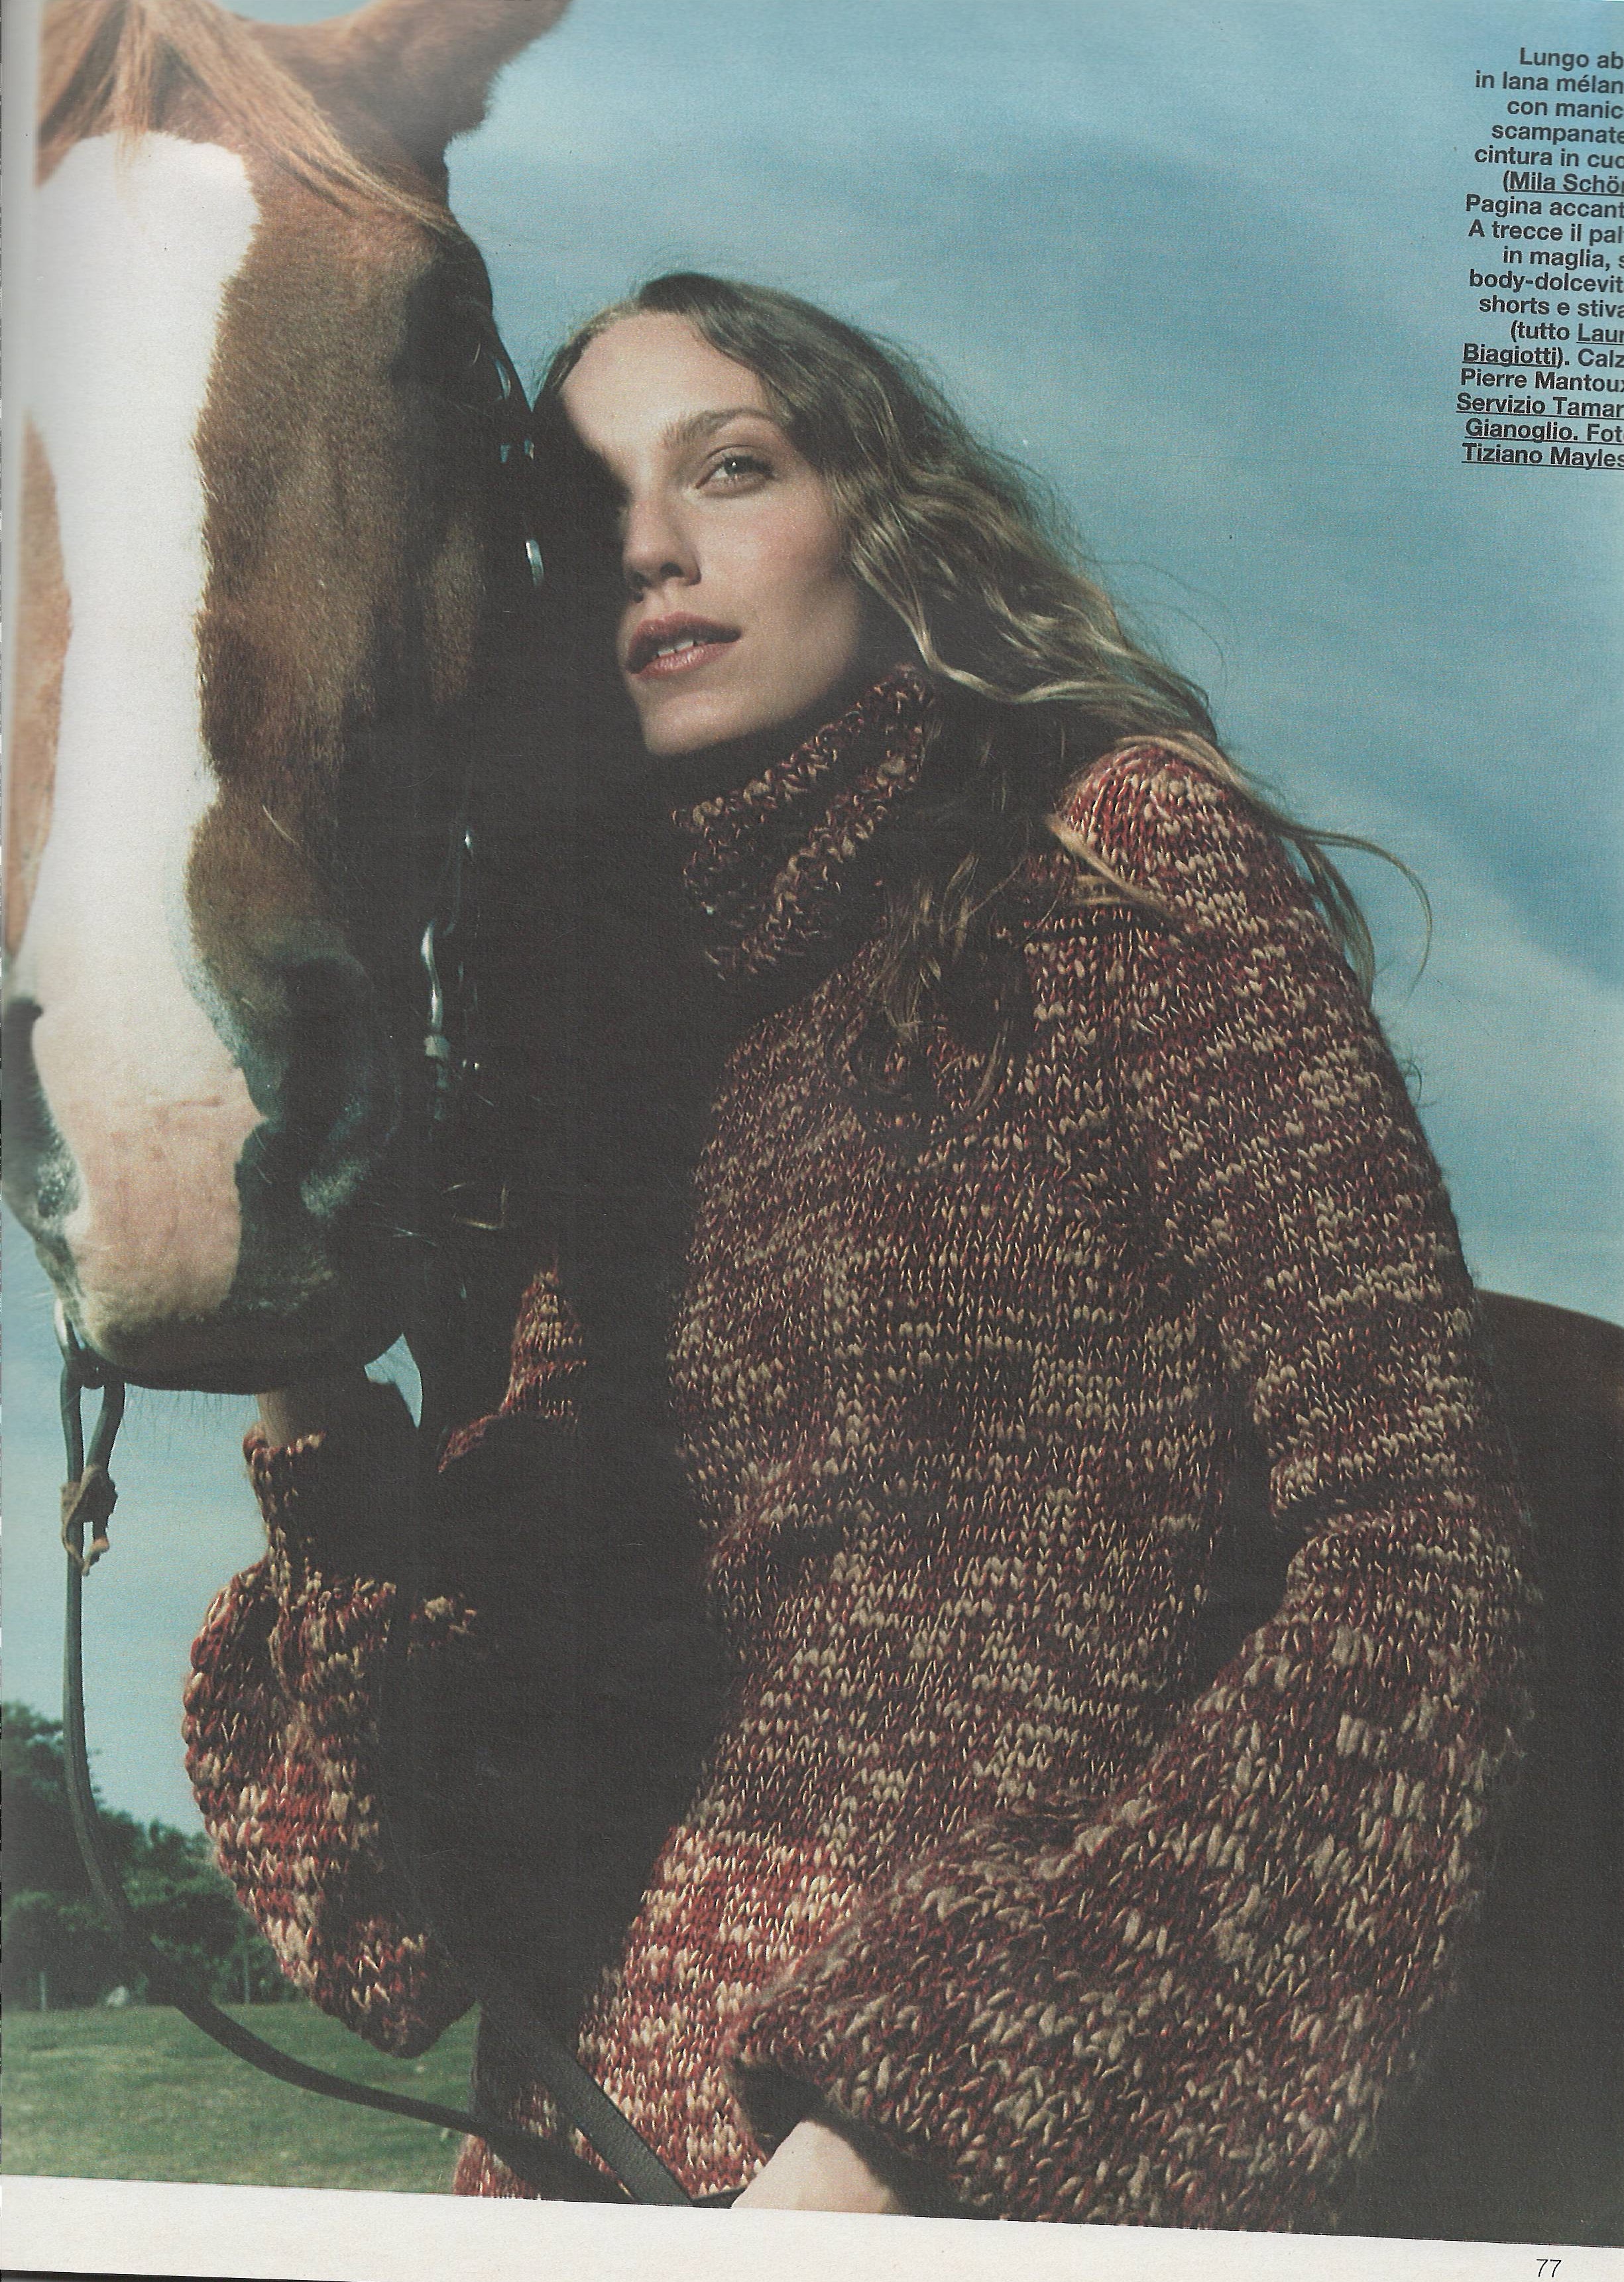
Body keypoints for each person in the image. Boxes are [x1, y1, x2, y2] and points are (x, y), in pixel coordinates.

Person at [183, 272, 1538, 2224]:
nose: (648, 546)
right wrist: (304, 1371)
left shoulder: (1112, 863)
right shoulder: (572, 1072)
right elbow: (385, 1925)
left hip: (980, 2178)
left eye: (731, 468)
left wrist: (922, 2130)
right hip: (569, 2180)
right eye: (577, 517)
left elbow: (1417, 1547)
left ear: (885, 522)